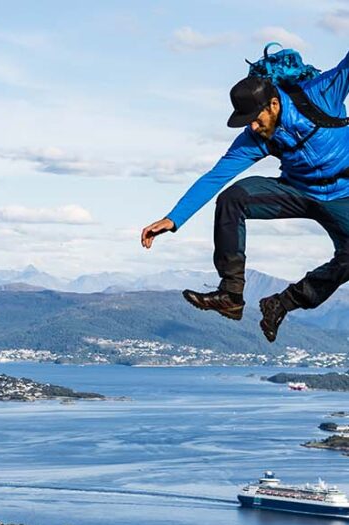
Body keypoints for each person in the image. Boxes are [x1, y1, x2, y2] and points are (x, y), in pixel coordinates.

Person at [140, 53, 349, 342]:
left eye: (255, 118)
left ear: (274, 104)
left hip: (344, 195)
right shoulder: (255, 137)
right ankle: (230, 294)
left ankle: (282, 303)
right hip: (297, 191)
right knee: (233, 198)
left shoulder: (323, 94)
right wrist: (173, 218)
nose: (252, 127)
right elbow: (216, 176)